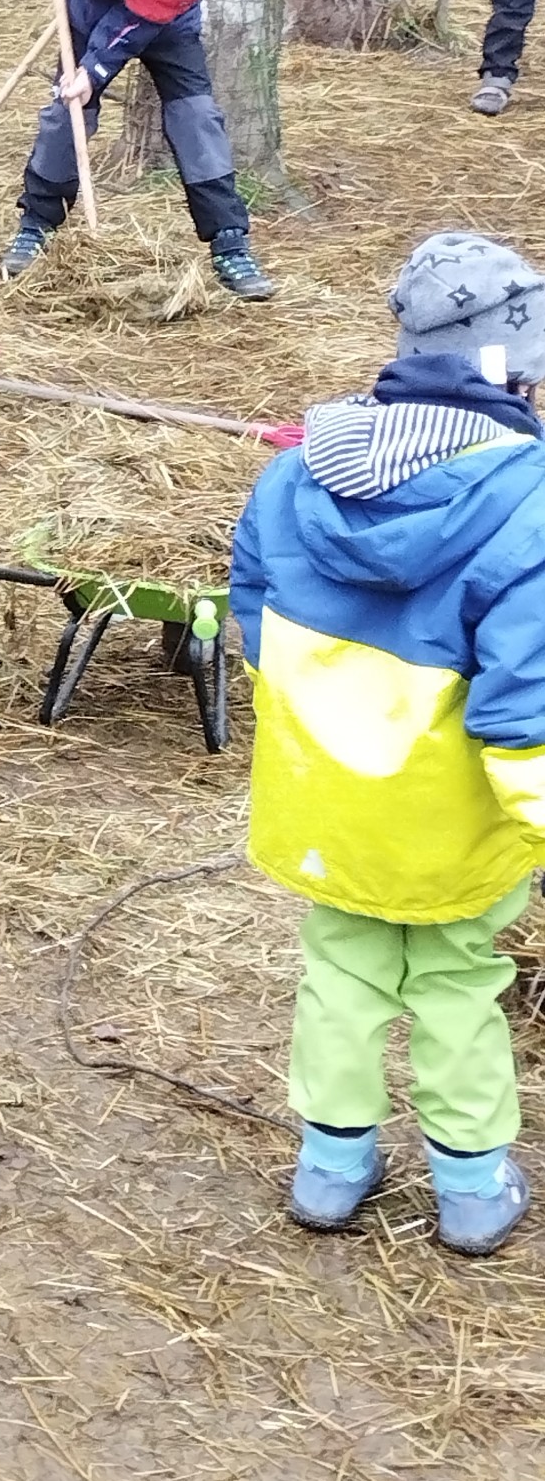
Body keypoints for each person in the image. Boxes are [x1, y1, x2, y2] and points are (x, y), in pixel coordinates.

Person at [231, 233, 545, 1256]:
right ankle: (471, 1186)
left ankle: (330, 1171)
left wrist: (313, 722)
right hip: (452, 826)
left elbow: (253, 611)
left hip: (329, 806)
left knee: (341, 974)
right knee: (456, 982)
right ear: (513, 373)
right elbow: (525, 708)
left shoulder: (294, 475)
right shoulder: (529, 506)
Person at [2, 0, 276, 301]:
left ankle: (230, 241)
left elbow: (141, 17)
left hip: (162, 16)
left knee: (196, 118)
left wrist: (95, 69)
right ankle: (37, 224)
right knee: (67, 110)